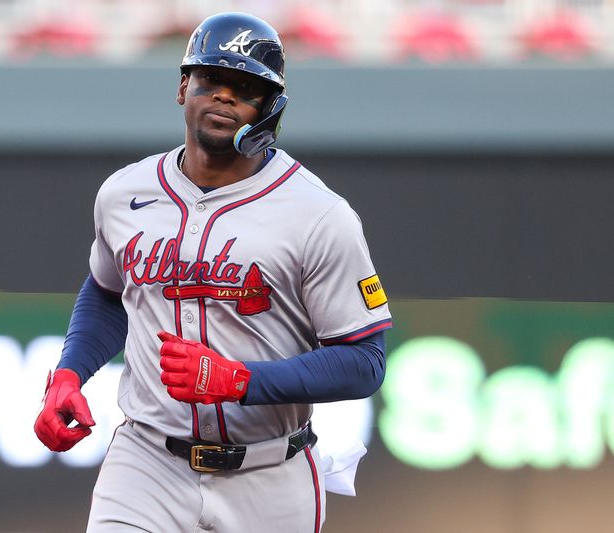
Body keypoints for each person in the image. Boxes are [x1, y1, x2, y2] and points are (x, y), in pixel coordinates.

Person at [34, 11, 392, 533]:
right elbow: (110, 292)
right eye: (211, 79)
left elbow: (365, 360)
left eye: (245, 88)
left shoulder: (319, 213)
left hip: (268, 470)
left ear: (270, 109)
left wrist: (242, 380)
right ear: (184, 87)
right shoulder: (123, 193)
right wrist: (69, 373)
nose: (224, 96)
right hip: (148, 461)